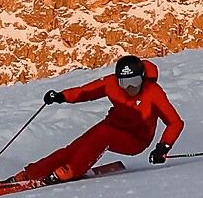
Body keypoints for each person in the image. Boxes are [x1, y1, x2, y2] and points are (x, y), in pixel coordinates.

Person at [13, 54, 183, 184]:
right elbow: (86, 91)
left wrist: (163, 147)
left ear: (143, 78)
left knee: (103, 136)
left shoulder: (153, 92)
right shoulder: (112, 84)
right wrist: (61, 96)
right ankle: (33, 172)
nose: (130, 88)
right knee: (75, 147)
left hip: (136, 140)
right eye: (125, 83)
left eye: (134, 82)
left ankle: (72, 169)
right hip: (111, 126)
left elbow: (175, 122)